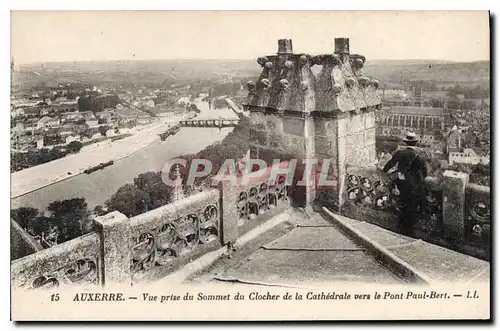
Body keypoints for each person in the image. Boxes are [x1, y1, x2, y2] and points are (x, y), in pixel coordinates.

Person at [381, 132, 428, 237]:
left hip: (402, 184)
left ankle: (401, 228)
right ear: (415, 143)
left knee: (403, 204)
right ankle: (409, 231)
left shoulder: (400, 153)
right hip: (415, 186)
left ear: (406, 143)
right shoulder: (419, 155)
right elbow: (425, 172)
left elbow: (387, 166)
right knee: (413, 207)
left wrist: (385, 170)